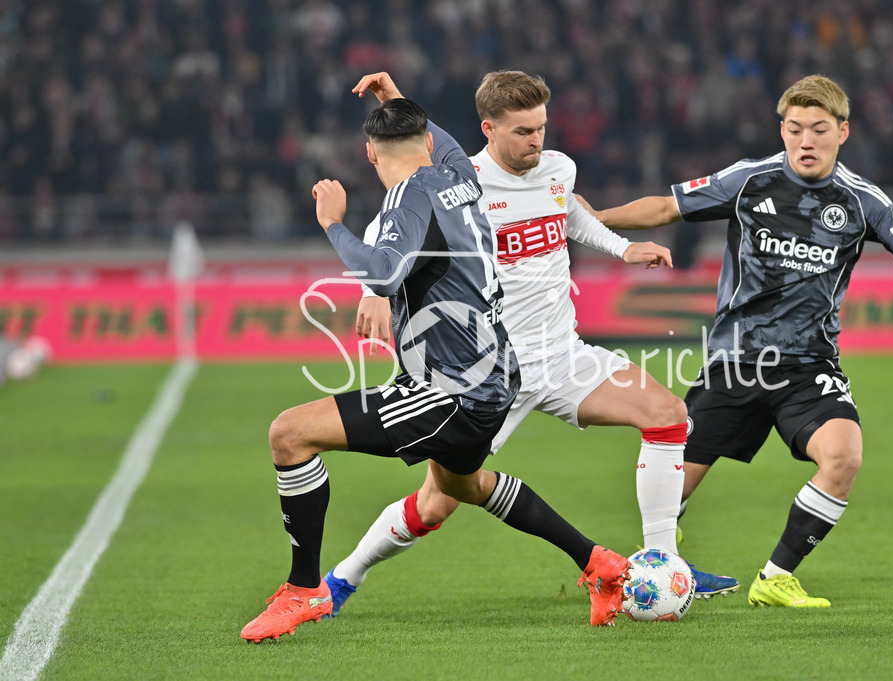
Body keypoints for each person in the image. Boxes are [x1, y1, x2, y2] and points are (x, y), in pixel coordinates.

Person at [321, 71, 739, 619]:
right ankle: (341, 579)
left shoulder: (558, 169)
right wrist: (373, 295)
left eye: (541, 127)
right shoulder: (459, 182)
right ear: (489, 130)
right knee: (437, 501)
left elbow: (570, 215)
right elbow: (388, 229)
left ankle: (665, 564)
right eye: (522, 131)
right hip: (489, 370)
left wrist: (623, 248)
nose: (536, 140)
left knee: (667, 415)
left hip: (563, 354)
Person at [590, 74, 893, 607]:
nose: (806, 141)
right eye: (795, 129)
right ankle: (662, 564)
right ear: (782, 129)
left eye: (819, 130)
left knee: (843, 456)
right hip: (738, 360)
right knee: (669, 488)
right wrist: (593, 221)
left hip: (810, 365)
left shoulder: (862, 200)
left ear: (843, 132)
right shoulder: (749, 180)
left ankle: (775, 577)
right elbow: (667, 207)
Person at [240, 87, 631, 642]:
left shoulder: (410, 198)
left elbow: (383, 274)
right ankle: (599, 564)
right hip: (495, 376)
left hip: (451, 390)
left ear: (369, 154)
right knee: (465, 487)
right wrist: (395, 95)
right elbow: (441, 141)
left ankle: (304, 590)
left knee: (289, 434)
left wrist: (332, 222)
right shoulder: (460, 176)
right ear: (427, 141)